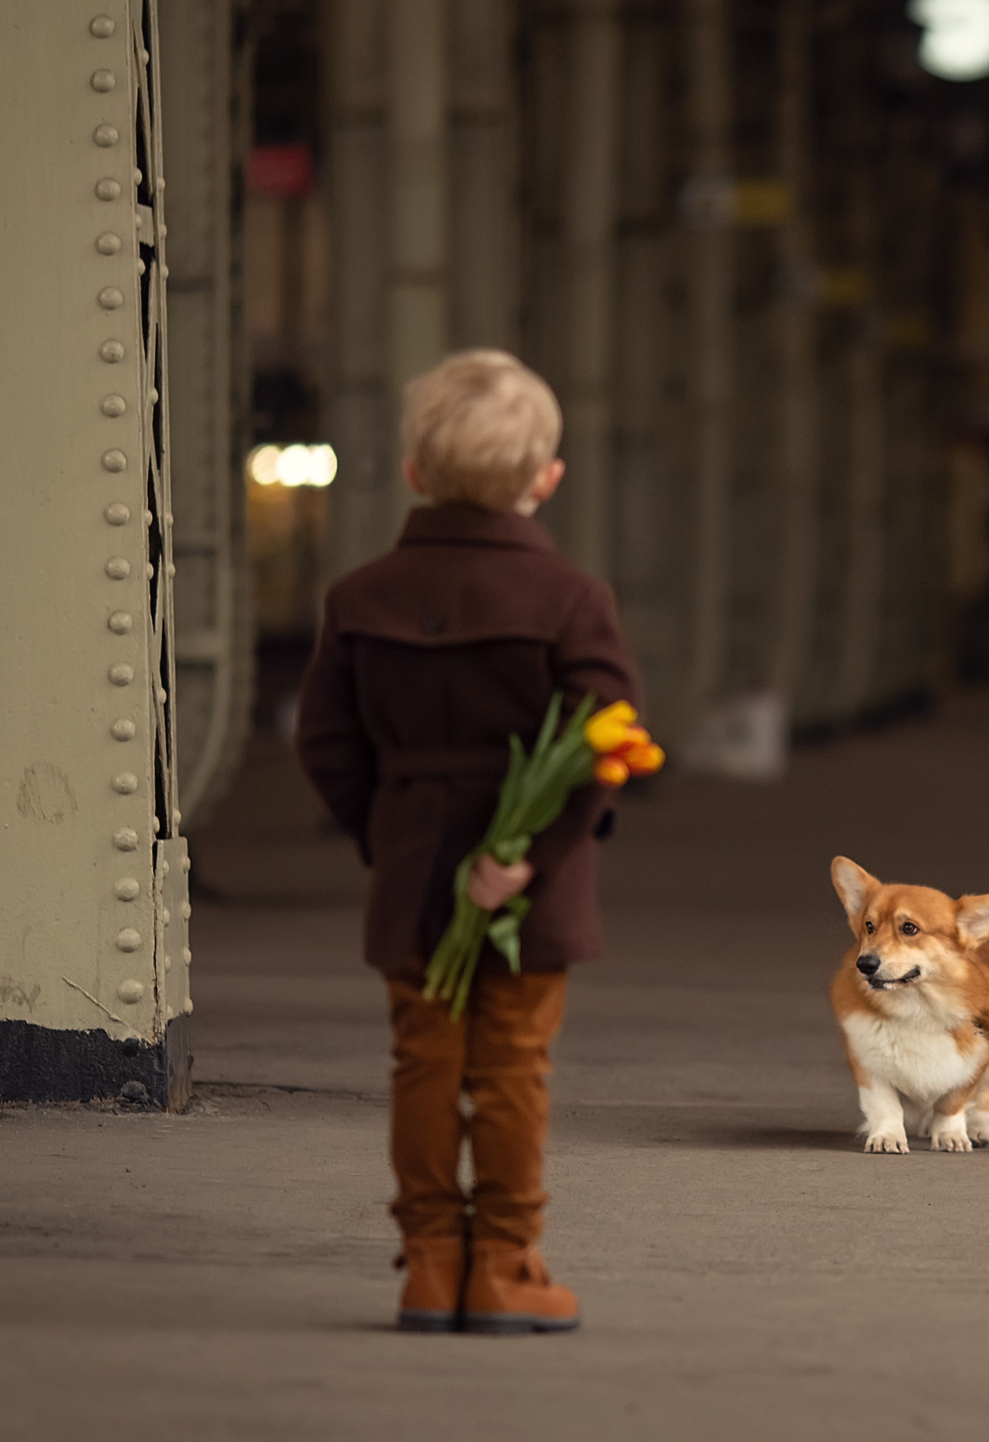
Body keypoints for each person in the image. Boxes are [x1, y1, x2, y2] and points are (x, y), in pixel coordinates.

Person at [296, 349, 637, 1334]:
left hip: (410, 873)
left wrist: (388, 832)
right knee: (514, 1066)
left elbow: (326, 740)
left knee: (424, 1060)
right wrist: (532, 853)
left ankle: (429, 1261)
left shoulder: (359, 598)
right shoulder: (572, 600)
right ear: (546, 479)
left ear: (413, 472)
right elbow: (600, 746)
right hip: (535, 885)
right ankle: (506, 1267)